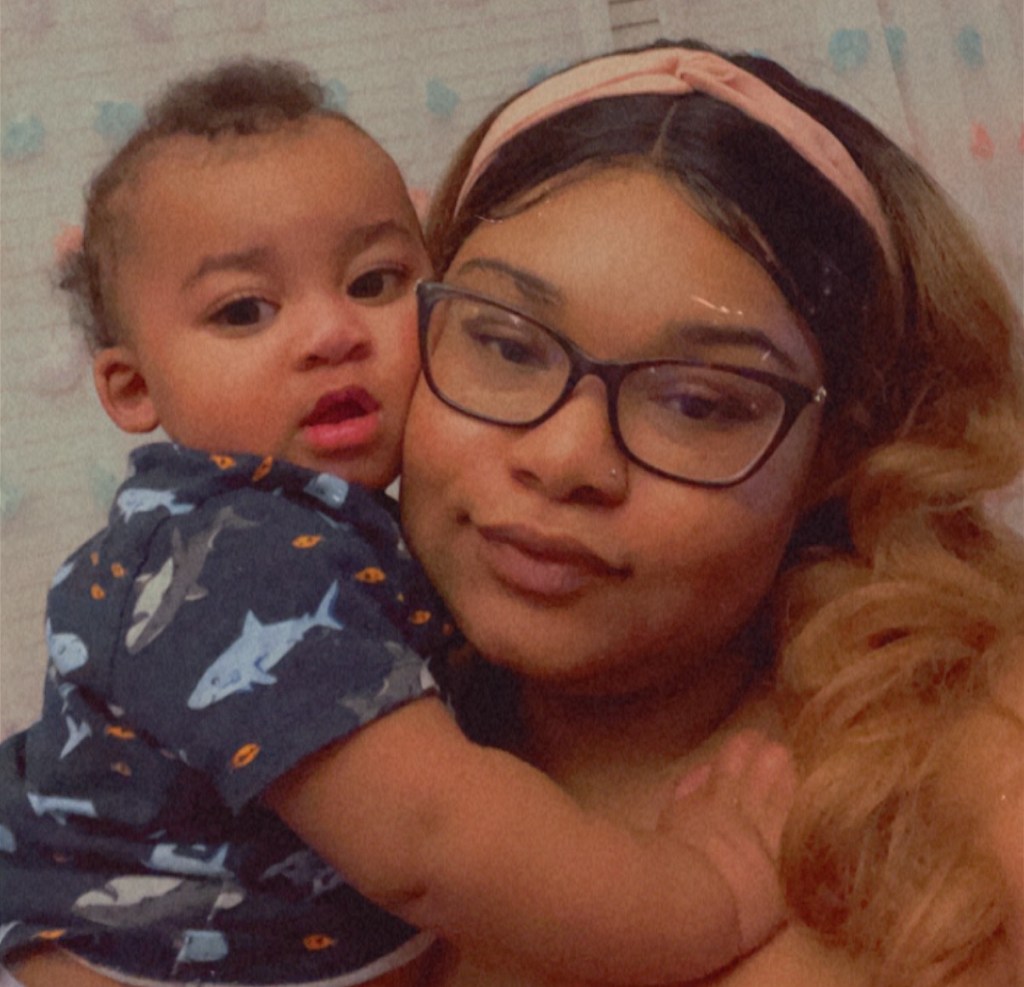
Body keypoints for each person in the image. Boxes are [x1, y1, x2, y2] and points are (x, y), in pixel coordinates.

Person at [0, 58, 799, 987]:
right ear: (133, 386)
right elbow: (431, 838)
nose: (333, 333)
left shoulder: (336, 527)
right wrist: (702, 897)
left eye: (375, 281)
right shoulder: (233, 555)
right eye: (245, 310)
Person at [391, 41, 1024, 986]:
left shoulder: (974, 773)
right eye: (508, 346)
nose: (564, 459)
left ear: (833, 454)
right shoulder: (271, 743)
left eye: (698, 402)